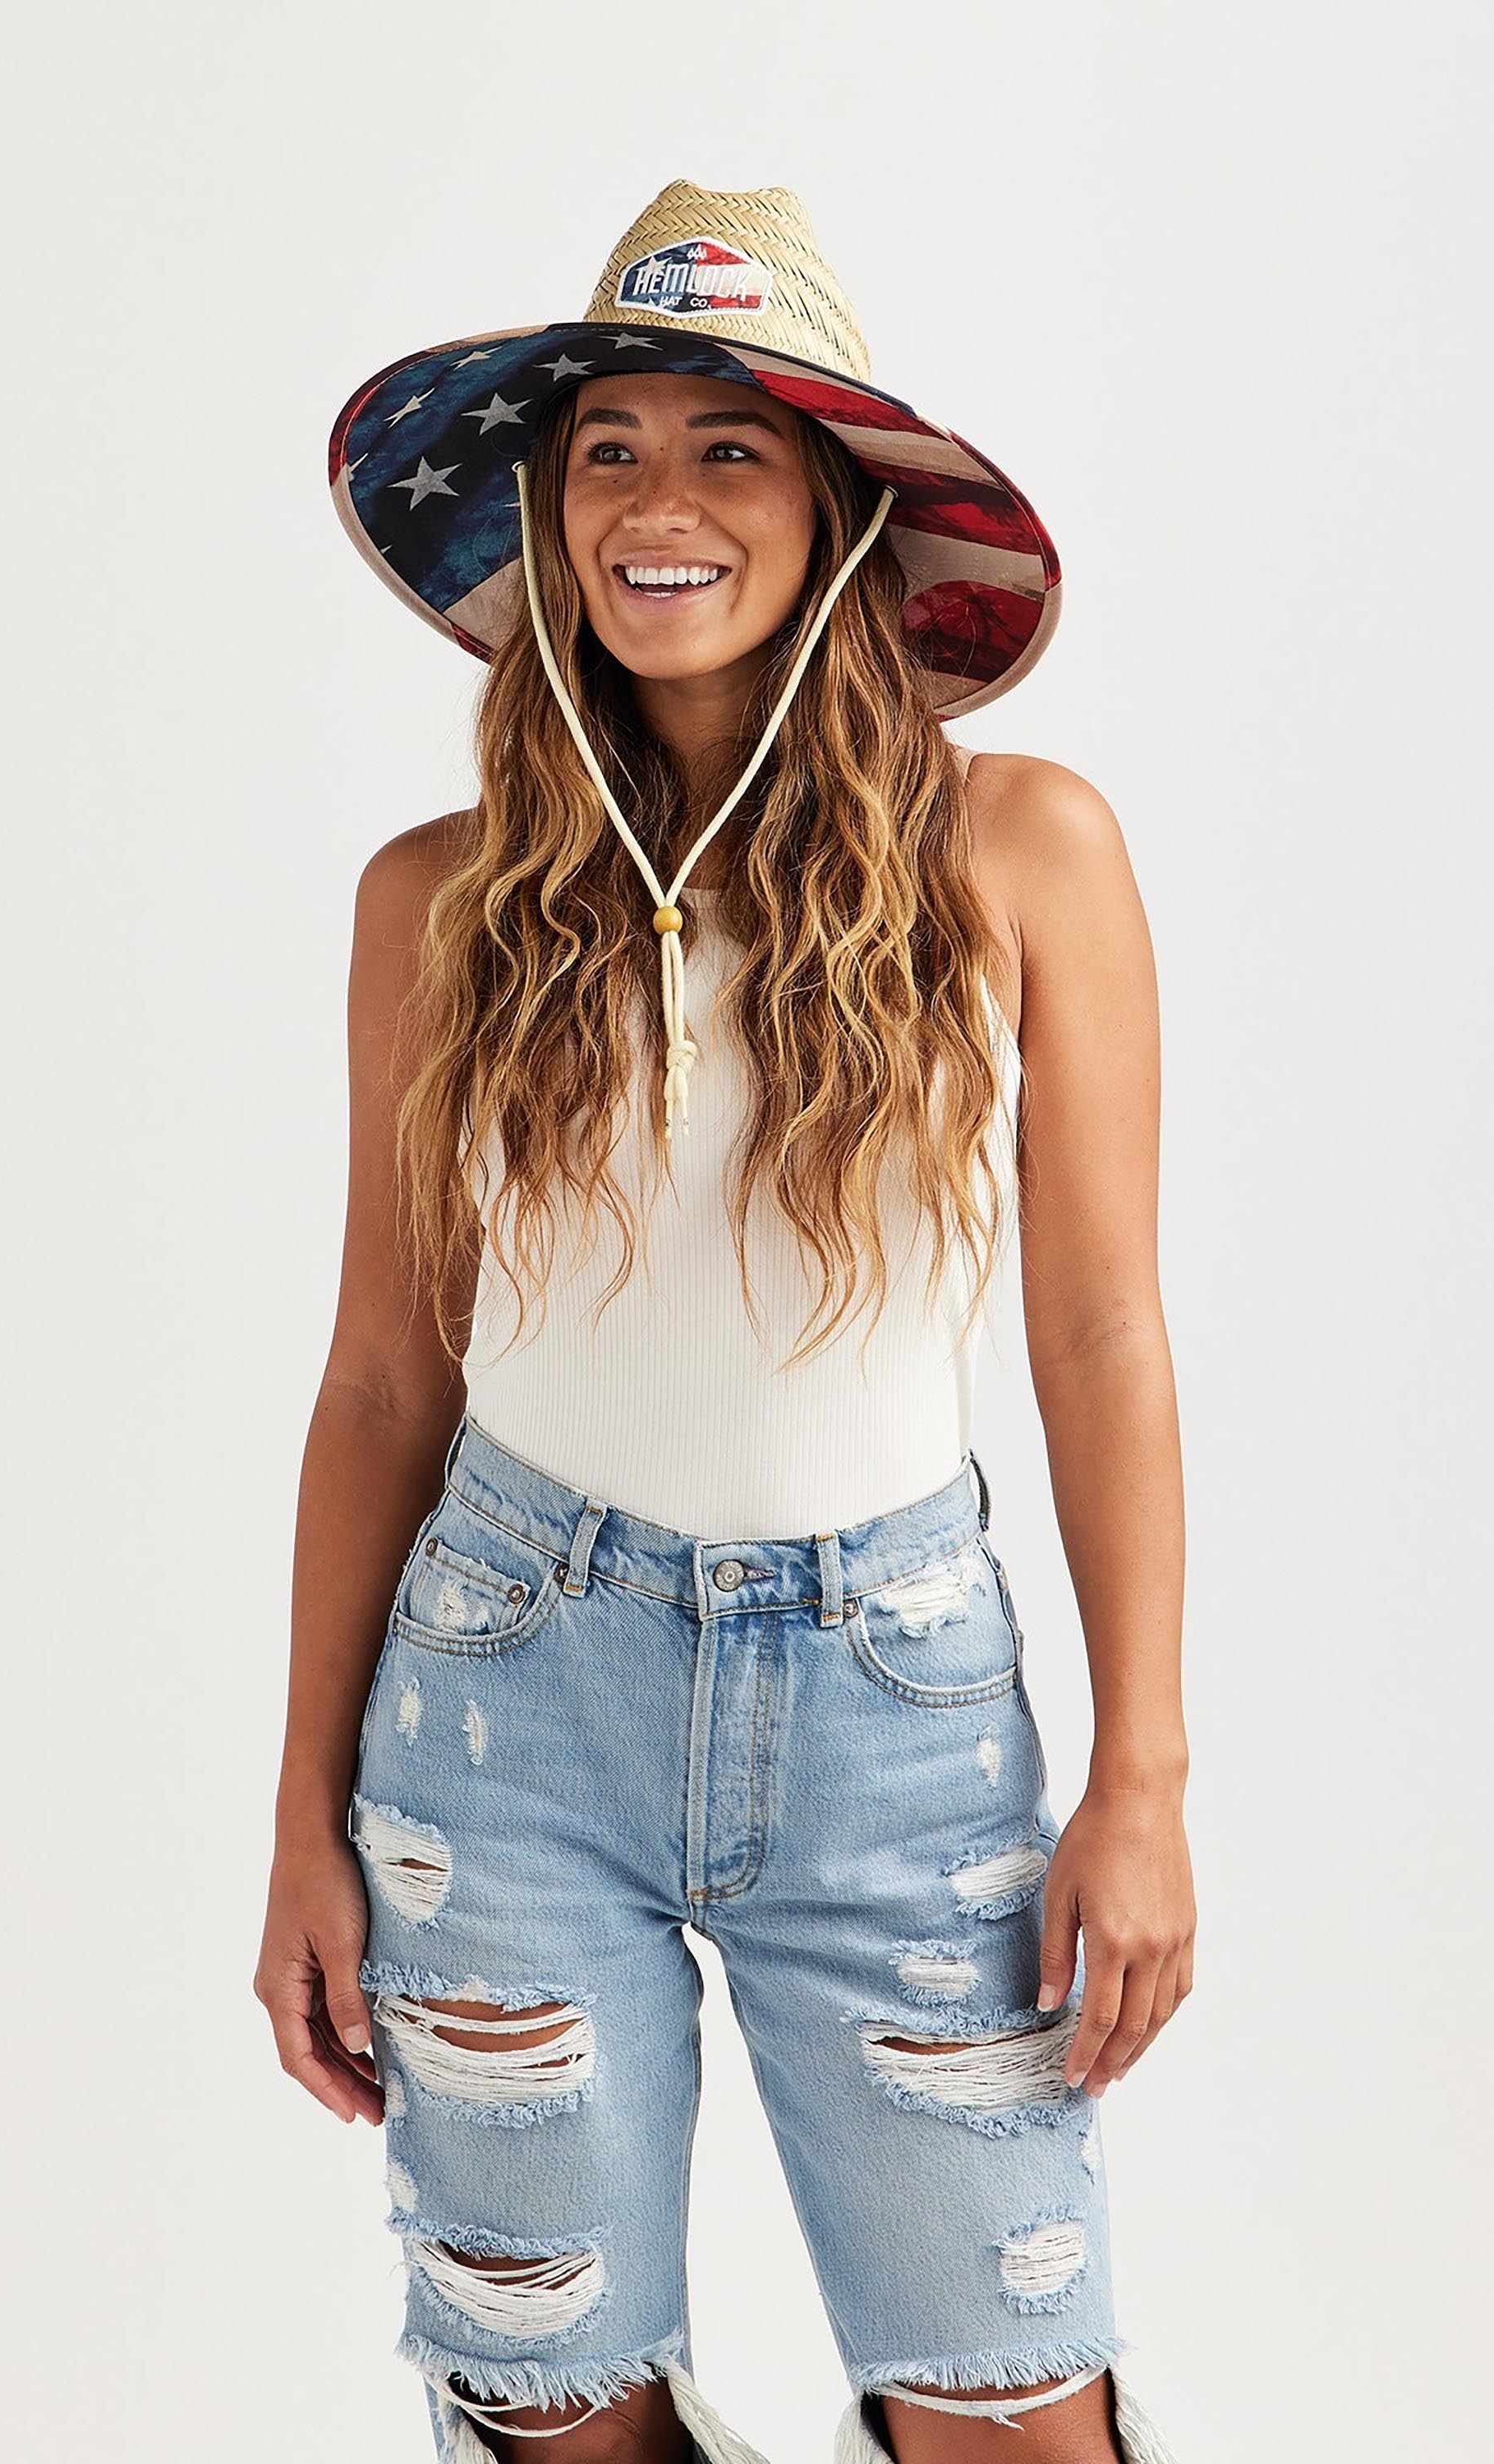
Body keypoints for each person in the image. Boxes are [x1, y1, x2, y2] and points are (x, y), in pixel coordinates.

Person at [256, 180, 1193, 2464]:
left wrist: (1145, 1777)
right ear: (550, 509)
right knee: (555, 2401)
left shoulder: (1023, 850)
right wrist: (298, 1809)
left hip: (899, 1708)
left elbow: (1103, 1332)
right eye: (609, 452)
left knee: (1005, 2401)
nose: (656, 507)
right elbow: (389, 1370)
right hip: (505, 1702)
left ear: (842, 515)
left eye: (729, 450)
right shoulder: (436, 900)